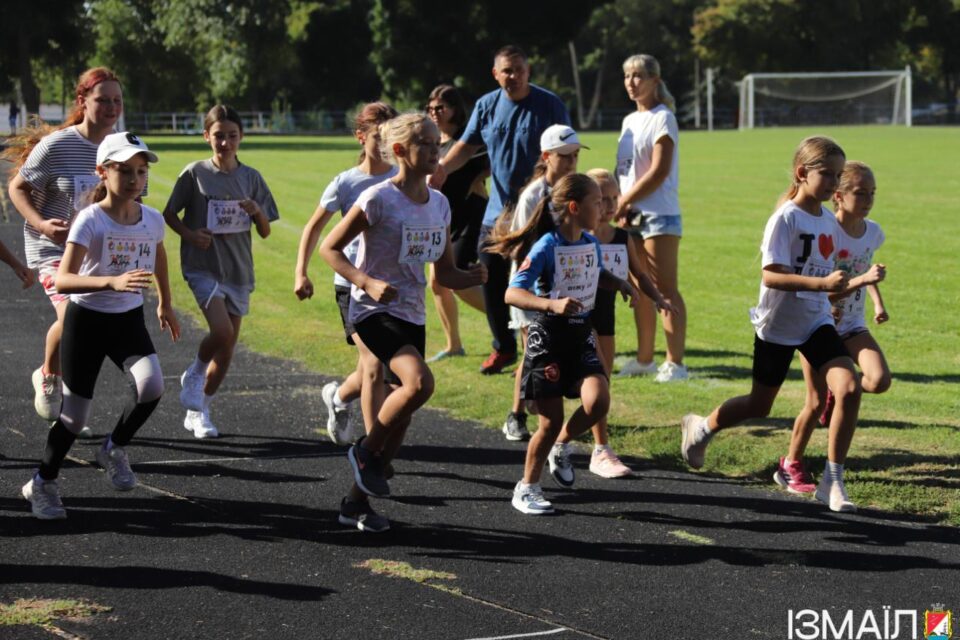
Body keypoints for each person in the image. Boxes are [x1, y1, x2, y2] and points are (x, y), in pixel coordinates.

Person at [320, 113, 487, 532]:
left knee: (402, 416)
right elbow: (330, 248)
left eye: (437, 143)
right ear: (399, 150)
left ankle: (354, 504)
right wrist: (366, 281)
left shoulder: (440, 204)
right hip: (372, 311)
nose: (436, 151)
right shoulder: (378, 198)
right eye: (425, 144)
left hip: (412, 313)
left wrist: (472, 276)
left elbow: (444, 273)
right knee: (420, 383)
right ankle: (365, 451)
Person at [681, 136, 865, 513]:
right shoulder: (785, 218)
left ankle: (832, 480)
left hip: (815, 322)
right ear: (802, 173)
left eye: (838, 176)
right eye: (827, 174)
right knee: (759, 404)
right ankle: (702, 427)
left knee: (848, 387)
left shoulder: (829, 222)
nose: (834, 183)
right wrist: (821, 285)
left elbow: (823, 273)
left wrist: (831, 298)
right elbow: (771, 275)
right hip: (777, 325)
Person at [21, 132, 179, 520]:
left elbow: (158, 254)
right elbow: (63, 280)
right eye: (124, 170)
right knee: (75, 417)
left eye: (140, 171)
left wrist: (166, 302)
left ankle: (113, 447)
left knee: (152, 386)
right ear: (102, 172)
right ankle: (42, 482)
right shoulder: (90, 220)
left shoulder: (151, 219)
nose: (134, 179)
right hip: (87, 320)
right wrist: (110, 282)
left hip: (128, 319)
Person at [488, 173, 639, 514]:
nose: (603, 208)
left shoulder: (589, 242)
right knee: (549, 421)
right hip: (549, 341)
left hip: (581, 335)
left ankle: (562, 445)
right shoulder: (547, 246)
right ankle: (526, 487)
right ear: (574, 207)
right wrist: (551, 305)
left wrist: (619, 283)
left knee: (598, 401)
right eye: (596, 202)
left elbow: (595, 273)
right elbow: (513, 293)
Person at [430, 45, 571, 375]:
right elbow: (465, 147)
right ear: (496, 74)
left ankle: (552, 347)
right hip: (498, 214)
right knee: (489, 276)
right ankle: (504, 347)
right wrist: (440, 169)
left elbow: (567, 151)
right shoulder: (486, 105)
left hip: (539, 210)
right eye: (507, 70)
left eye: (519, 69)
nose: (514, 76)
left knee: (543, 280)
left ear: (528, 71)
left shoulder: (549, 104)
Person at [6, 67, 124, 435]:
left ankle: (61, 388)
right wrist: (42, 224)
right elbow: (17, 188)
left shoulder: (122, 148)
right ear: (82, 101)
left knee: (87, 322)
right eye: (102, 99)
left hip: (95, 251)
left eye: (117, 100)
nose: (111, 107)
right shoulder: (57, 146)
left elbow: (130, 202)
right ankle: (50, 376)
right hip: (51, 249)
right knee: (75, 314)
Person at [773, 161, 890, 495]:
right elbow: (824, 288)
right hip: (818, 325)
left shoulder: (873, 231)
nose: (868, 200)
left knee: (879, 380)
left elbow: (862, 267)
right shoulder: (825, 232)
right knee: (814, 402)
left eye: (872, 193)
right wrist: (863, 280)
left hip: (852, 324)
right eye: (860, 193)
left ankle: (837, 394)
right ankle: (791, 463)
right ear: (838, 195)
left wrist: (877, 301)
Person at [163, 105, 279, 439]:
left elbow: (265, 231)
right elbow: (169, 213)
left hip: (238, 269)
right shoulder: (195, 173)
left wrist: (256, 211)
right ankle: (195, 372)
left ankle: (201, 409)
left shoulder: (251, 178)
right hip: (202, 266)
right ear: (206, 136)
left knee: (227, 348)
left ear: (241, 137)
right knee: (222, 331)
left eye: (232, 136)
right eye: (218, 136)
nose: (225, 143)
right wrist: (190, 235)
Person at [295, 102, 397, 444]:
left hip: (393, 286)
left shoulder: (401, 178)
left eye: (390, 136)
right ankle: (373, 448)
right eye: (378, 136)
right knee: (374, 365)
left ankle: (338, 398)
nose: (385, 144)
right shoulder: (346, 182)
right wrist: (301, 273)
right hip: (351, 284)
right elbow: (313, 228)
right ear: (360, 137)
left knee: (375, 367)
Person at [585, 168, 674, 477]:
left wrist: (658, 298)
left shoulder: (622, 238)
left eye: (615, 198)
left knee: (602, 383)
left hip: (605, 321)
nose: (611, 205)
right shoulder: (572, 237)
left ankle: (600, 449)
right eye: (602, 199)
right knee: (568, 387)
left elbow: (640, 274)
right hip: (572, 319)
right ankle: (558, 438)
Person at [501, 124, 582, 442]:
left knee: (549, 351)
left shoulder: (575, 188)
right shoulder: (534, 195)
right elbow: (520, 247)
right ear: (546, 156)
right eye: (564, 156)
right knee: (532, 351)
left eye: (575, 155)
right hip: (531, 289)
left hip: (562, 286)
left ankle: (544, 411)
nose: (571, 162)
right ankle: (517, 415)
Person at [614, 54, 688, 383]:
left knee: (665, 290)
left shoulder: (664, 118)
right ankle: (645, 360)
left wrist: (624, 200)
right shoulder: (629, 121)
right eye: (627, 76)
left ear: (655, 80)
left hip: (659, 215)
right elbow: (624, 171)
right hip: (630, 216)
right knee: (640, 290)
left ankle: (675, 363)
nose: (631, 82)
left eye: (638, 76)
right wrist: (617, 202)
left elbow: (659, 171)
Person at [424, 84, 488, 362]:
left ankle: (509, 316)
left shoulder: (467, 140)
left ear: (454, 109)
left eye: (440, 108)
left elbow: (494, 162)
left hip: (468, 216)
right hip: (439, 219)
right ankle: (453, 345)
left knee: (458, 279)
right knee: (437, 283)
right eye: (430, 108)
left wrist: (479, 180)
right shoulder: (432, 141)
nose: (434, 113)